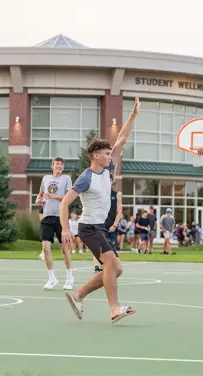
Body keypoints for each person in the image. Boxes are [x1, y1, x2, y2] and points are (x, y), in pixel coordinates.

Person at [60, 97, 139, 323]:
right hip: (89, 228)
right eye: (105, 153)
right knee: (112, 265)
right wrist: (66, 229)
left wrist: (133, 115)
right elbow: (65, 202)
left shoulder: (107, 169)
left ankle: (78, 295)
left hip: (99, 228)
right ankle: (114, 309)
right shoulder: (86, 177)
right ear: (95, 156)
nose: (109, 155)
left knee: (116, 269)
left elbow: (122, 139)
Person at [34, 157, 74, 290]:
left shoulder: (66, 179)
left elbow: (68, 198)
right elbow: (39, 196)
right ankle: (51, 278)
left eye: (61, 165)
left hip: (61, 217)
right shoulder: (45, 178)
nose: (59, 166)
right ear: (52, 166)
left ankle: (70, 278)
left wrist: (55, 196)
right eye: (57, 164)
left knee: (64, 249)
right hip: (47, 217)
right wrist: (38, 201)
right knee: (45, 247)